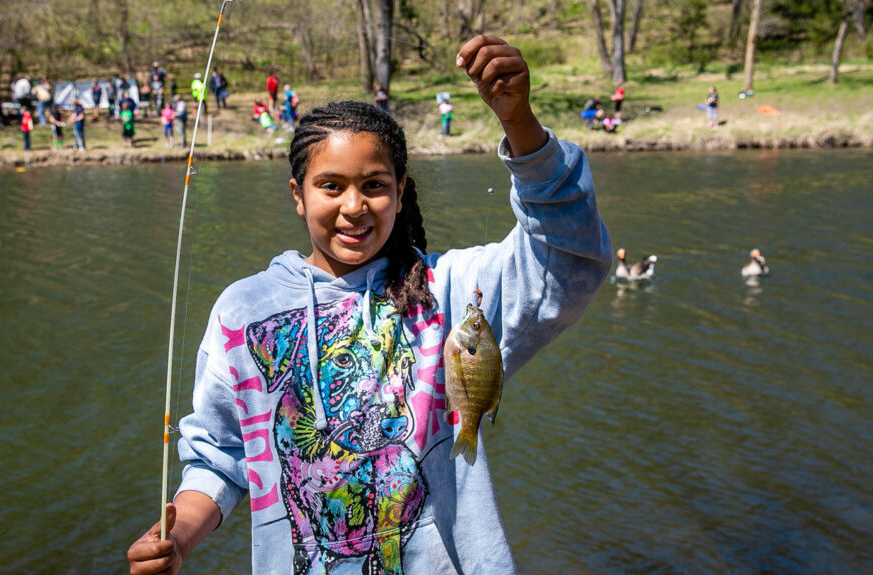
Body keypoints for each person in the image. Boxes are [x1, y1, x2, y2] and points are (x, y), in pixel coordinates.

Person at [127, 35, 611, 575]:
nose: (353, 207)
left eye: (374, 185)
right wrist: (178, 538)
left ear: (401, 192)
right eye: (330, 185)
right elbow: (220, 454)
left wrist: (521, 126)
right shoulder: (244, 312)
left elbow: (568, 261)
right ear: (297, 194)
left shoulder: (447, 289)